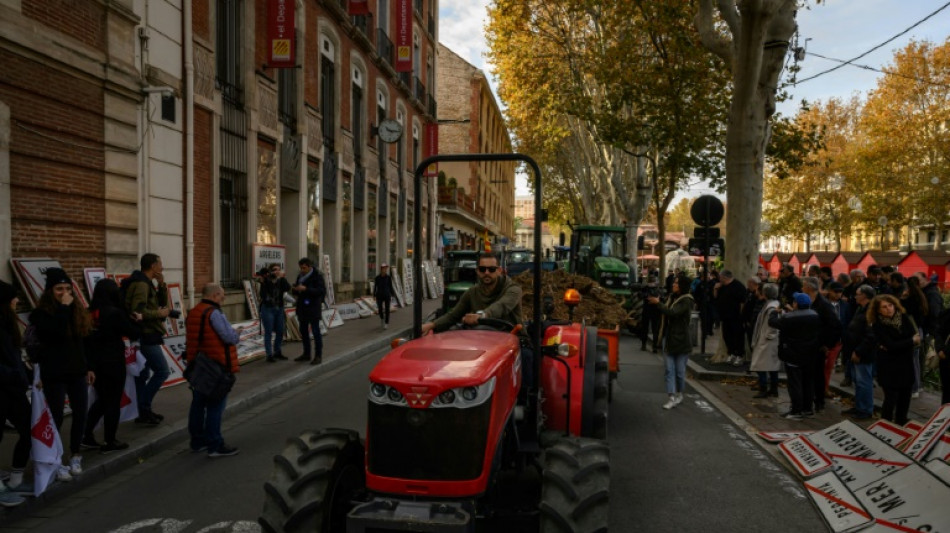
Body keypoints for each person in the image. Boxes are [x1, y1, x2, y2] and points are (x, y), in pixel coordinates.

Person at [421, 252, 532, 386]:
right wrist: (431, 325)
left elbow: (502, 306)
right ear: (477, 271)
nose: (486, 273)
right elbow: (453, 315)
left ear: (499, 271)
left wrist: (481, 315)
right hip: (482, 341)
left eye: (491, 269)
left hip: (511, 338)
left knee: (526, 359)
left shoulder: (513, 289)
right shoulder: (472, 292)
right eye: (482, 269)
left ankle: (524, 398)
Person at [30, 268, 93, 480]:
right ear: (50, 291)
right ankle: (55, 459)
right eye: (59, 289)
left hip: (76, 371)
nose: (64, 292)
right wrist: (64, 307)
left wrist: (88, 367)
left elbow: (82, 342)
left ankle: (76, 454)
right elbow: (54, 332)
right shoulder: (40, 314)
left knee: (81, 413)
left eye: (67, 289)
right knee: (56, 416)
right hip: (54, 372)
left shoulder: (76, 311)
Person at [83, 279, 141, 453]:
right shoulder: (115, 312)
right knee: (112, 402)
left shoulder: (89, 312)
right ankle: (110, 441)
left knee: (102, 400)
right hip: (113, 361)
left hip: (94, 362)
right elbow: (132, 333)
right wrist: (135, 320)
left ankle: (86, 434)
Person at [185, 283, 240, 457]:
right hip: (216, 365)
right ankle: (215, 444)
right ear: (215, 295)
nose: (224, 298)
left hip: (198, 365)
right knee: (215, 406)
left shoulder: (194, 311)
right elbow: (228, 337)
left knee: (198, 404)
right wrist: (237, 333)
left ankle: (197, 441)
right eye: (222, 295)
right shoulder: (214, 313)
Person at [122, 253, 171, 425]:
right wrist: (159, 314)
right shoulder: (141, 284)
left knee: (142, 375)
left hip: (148, 333)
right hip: (145, 334)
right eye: (160, 264)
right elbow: (137, 312)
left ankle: (143, 412)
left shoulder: (147, 282)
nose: (162, 267)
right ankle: (143, 406)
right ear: (153, 266)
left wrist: (162, 285)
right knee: (162, 371)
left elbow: (160, 303)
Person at [0, 280, 31, 504]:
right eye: (13, 297)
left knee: (28, 428)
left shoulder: (7, 323)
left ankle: (16, 477)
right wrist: (13, 374)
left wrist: (25, 375)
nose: (17, 300)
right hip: (3, 387)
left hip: (13, 389)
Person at [867, 294, 919, 426]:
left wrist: (901, 344)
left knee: (905, 398)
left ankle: (901, 423)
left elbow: (915, 337)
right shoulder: (878, 325)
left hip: (906, 365)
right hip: (889, 367)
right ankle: (885, 425)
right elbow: (891, 345)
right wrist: (909, 342)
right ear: (878, 310)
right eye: (884, 307)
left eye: (890, 305)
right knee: (890, 399)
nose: (889, 309)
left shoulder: (904, 318)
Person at [769, 292, 821, 420]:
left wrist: (774, 312)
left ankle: (796, 410)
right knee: (808, 382)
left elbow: (773, 322)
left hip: (793, 353)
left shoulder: (789, 318)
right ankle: (807, 408)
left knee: (795, 382)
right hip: (810, 353)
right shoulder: (815, 316)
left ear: (796, 304)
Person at [649, 276, 694, 409]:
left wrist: (658, 303)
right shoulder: (671, 297)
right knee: (669, 370)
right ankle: (671, 396)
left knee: (680, 372)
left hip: (681, 341)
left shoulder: (687, 300)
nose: (673, 285)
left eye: (676, 283)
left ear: (682, 286)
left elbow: (673, 312)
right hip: (668, 338)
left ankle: (679, 394)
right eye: (674, 282)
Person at [802, 276, 842, 412]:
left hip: (818, 345)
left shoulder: (824, 305)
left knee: (818, 374)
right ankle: (807, 399)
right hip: (808, 343)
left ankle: (819, 401)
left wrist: (827, 344)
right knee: (807, 373)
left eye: (803, 286)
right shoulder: (808, 302)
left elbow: (835, 325)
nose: (802, 288)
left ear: (809, 288)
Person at [842, 285, 876, 420]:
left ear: (865, 296)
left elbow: (871, 336)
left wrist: (859, 351)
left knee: (864, 381)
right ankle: (859, 406)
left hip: (863, 353)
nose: (855, 296)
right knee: (858, 380)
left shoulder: (870, 312)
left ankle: (865, 410)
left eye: (857, 294)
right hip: (855, 350)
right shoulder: (860, 309)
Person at [292, 258, 327, 364]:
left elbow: (321, 291)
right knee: (303, 331)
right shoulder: (300, 276)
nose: (302, 270)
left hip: (313, 308)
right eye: (301, 268)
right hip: (302, 308)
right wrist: (296, 290)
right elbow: (299, 291)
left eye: (304, 268)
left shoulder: (317, 277)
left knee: (316, 332)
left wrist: (306, 289)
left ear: (309, 266)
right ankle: (306, 353)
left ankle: (318, 355)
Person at [749, 283, 781, 399]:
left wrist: (768, 336)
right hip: (767, 340)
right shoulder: (771, 305)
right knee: (771, 367)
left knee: (761, 366)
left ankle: (764, 388)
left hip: (767, 341)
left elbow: (773, 325)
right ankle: (773, 389)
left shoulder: (771, 307)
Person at [256, 263, 291, 362]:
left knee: (280, 331)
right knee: (268, 331)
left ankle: (278, 352)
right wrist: (266, 279)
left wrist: (281, 278)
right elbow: (264, 294)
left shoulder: (281, 280)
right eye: (275, 269)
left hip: (279, 308)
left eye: (279, 269)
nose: (277, 271)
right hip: (268, 309)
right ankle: (269, 354)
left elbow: (287, 288)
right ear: (270, 271)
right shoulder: (266, 281)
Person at [713, 270, 747, 366]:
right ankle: (731, 353)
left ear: (725, 277)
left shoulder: (738, 286)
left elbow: (743, 302)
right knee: (727, 336)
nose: (719, 279)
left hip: (736, 317)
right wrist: (715, 289)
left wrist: (741, 315)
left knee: (738, 336)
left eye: (720, 277)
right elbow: (715, 298)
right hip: (725, 317)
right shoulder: (721, 287)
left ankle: (739, 355)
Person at [639, 278, 661, 353]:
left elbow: (641, 295)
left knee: (646, 328)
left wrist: (648, 297)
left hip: (648, 310)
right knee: (654, 329)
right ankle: (653, 346)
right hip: (654, 311)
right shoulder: (658, 289)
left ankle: (645, 345)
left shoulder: (646, 288)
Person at [373, 264, 395, 330]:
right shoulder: (377, 278)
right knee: (380, 309)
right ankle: (382, 318)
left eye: (386, 268)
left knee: (387, 309)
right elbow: (375, 287)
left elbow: (391, 287)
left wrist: (392, 295)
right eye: (384, 268)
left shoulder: (388, 278)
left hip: (387, 295)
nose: (385, 270)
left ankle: (386, 323)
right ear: (381, 269)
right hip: (379, 295)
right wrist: (374, 295)